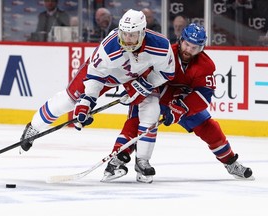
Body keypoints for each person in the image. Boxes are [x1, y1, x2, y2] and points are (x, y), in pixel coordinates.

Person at [20, 9, 176, 183]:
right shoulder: (109, 46)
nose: (126, 39)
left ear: (142, 32)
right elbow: (94, 77)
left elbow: (167, 73)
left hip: (139, 77)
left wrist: (145, 85)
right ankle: (33, 127)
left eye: (132, 35)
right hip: (106, 76)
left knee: (151, 109)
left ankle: (143, 161)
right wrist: (86, 103)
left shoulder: (160, 45)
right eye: (124, 34)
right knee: (67, 101)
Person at [102, 23, 254, 183]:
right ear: (180, 40)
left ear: (201, 48)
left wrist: (183, 108)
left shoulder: (206, 65)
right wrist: (133, 87)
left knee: (210, 128)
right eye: (187, 44)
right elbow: (140, 72)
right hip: (154, 94)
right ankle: (116, 160)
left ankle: (231, 162)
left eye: (194, 47)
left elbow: (204, 95)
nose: (189, 50)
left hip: (181, 101)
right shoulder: (163, 52)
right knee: (136, 122)